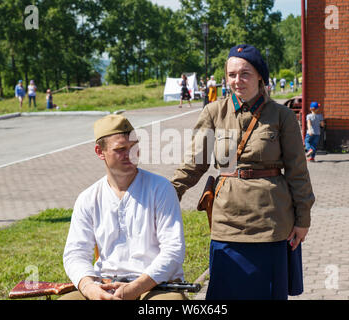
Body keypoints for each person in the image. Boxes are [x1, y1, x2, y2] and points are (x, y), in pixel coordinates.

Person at [171, 44, 315, 300]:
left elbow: (298, 172)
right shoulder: (214, 112)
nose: (237, 81)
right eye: (232, 74)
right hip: (227, 221)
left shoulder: (281, 116)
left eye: (245, 73)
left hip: (271, 222)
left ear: (260, 75)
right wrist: (168, 192)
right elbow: (195, 164)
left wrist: (303, 219)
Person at [61, 114, 186, 300]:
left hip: (154, 286)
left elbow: (173, 250)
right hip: (105, 286)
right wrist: (89, 288)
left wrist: (136, 287)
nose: (131, 154)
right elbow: (75, 253)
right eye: (121, 149)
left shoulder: (160, 188)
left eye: (134, 146)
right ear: (99, 151)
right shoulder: (88, 198)